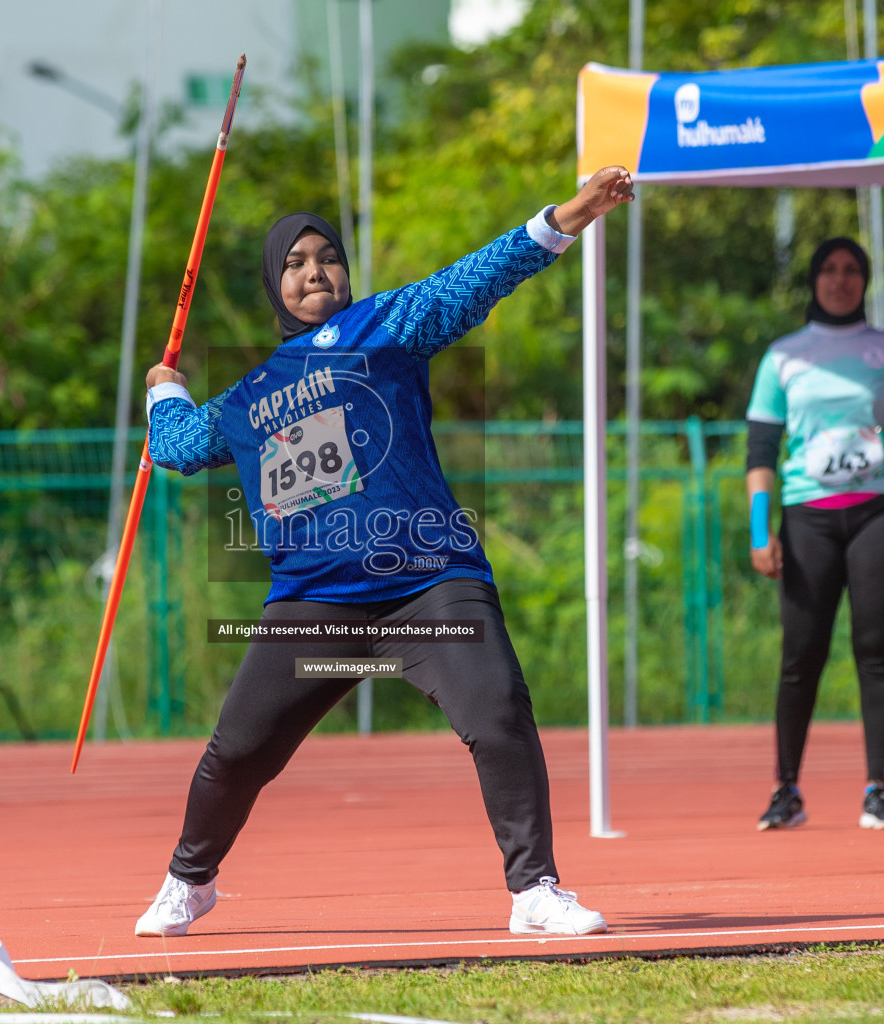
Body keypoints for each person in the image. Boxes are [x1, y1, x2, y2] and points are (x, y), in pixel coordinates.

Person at [131, 165, 636, 938]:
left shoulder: (385, 326)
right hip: (314, 600)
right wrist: (164, 387)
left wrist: (565, 218)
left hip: (428, 580)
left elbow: (477, 277)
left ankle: (534, 889)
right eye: (295, 264)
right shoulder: (246, 396)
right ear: (276, 285)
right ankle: (187, 880)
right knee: (236, 753)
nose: (314, 272)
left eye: (325, 255)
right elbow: (176, 446)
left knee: (499, 712)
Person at [744, 237, 884, 832]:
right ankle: (785, 791)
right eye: (829, 269)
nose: (841, 279)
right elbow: (761, 452)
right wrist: (759, 529)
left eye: (853, 270)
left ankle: (879, 789)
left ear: (866, 280)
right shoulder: (783, 356)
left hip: (879, 513)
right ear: (814, 279)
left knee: (876, 651)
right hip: (807, 517)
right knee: (801, 656)